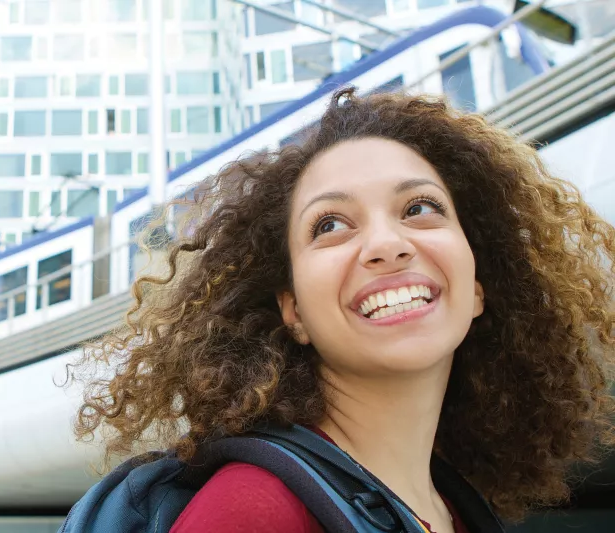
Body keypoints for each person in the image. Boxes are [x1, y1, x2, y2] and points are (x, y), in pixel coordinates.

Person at [72, 88, 615, 532]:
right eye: (330, 224)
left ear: (478, 286)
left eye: (419, 208)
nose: (387, 243)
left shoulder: (452, 507)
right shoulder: (253, 512)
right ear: (294, 313)